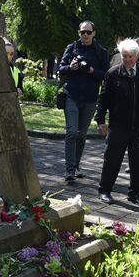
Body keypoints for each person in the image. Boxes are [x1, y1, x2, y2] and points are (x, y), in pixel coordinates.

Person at [94, 39, 139, 205]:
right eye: (124, 56)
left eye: (130, 56)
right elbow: (104, 98)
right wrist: (100, 120)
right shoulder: (113, 73)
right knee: (112, 160)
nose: (127, 59)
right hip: (118, 125)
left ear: (137, 56)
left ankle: (135, 192)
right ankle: (105, 190)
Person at [58, 21, 109, 183]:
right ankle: (69, 169)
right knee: (72, 132)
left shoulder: (101, 52)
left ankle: (76, 165)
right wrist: (71, 68)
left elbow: (106, 75)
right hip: (71, 95)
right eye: (82, 32)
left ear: (94, 33)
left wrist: (92, 71)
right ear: (78, 33)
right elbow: (61, 68)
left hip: (90, 99)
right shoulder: (71, 48)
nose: (85, 35)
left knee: (81, 135)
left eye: (88, 32)